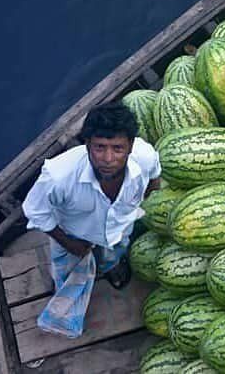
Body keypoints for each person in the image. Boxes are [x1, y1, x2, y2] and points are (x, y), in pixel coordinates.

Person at [21, 100, 161, 338]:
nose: (107, 158)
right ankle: (65, 313)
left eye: (117, 148)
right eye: (99, 147)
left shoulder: (145, 156)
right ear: (86, 145)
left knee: (115, 250)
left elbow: (155, 177)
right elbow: (35, 210)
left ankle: (110, 266)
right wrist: (69, 243)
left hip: (119, 226)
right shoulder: (58, 175)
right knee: (67, 277)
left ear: (130, 146)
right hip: (74, 234)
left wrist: (140, 204)